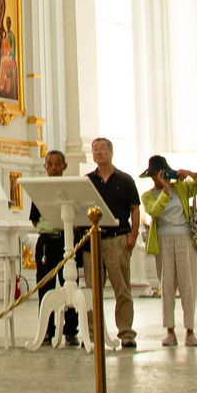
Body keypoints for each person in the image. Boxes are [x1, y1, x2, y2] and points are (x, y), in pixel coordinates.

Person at [142, 156, 197, 346]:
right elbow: (154, 211)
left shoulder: (182, 188)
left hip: (185, 238)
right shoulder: (148, 195)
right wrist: (165, 192)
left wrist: (190, 174)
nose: (161, 177)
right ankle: (169, 330)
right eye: (157, 174)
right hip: (163, 240)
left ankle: (190, 330)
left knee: (188, 284)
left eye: (164, 173)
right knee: (167, 285)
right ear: (152, 176)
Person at [86, 137, 141, 349]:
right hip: (94, 240)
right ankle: (93, 334)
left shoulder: (125, 180)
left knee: (122, 288)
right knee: (93, 290)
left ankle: (126, 332)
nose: (98, 153)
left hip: (118, 238)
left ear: (110, 152)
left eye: (102, 149)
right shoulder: (88, 181)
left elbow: (135, 209)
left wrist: (132, 236)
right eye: (94, 149)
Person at [29, 149, 80, 348]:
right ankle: (47, 331)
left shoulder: (71, 187)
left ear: (64, 166)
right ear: (45, 167)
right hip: (47, 242)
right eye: (49, 164)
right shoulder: (40, 189)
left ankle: (70, 331)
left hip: (66, 241)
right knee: (45, 287)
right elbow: (35, 219)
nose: (53, 168)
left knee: (70, 285)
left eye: (57, 164)